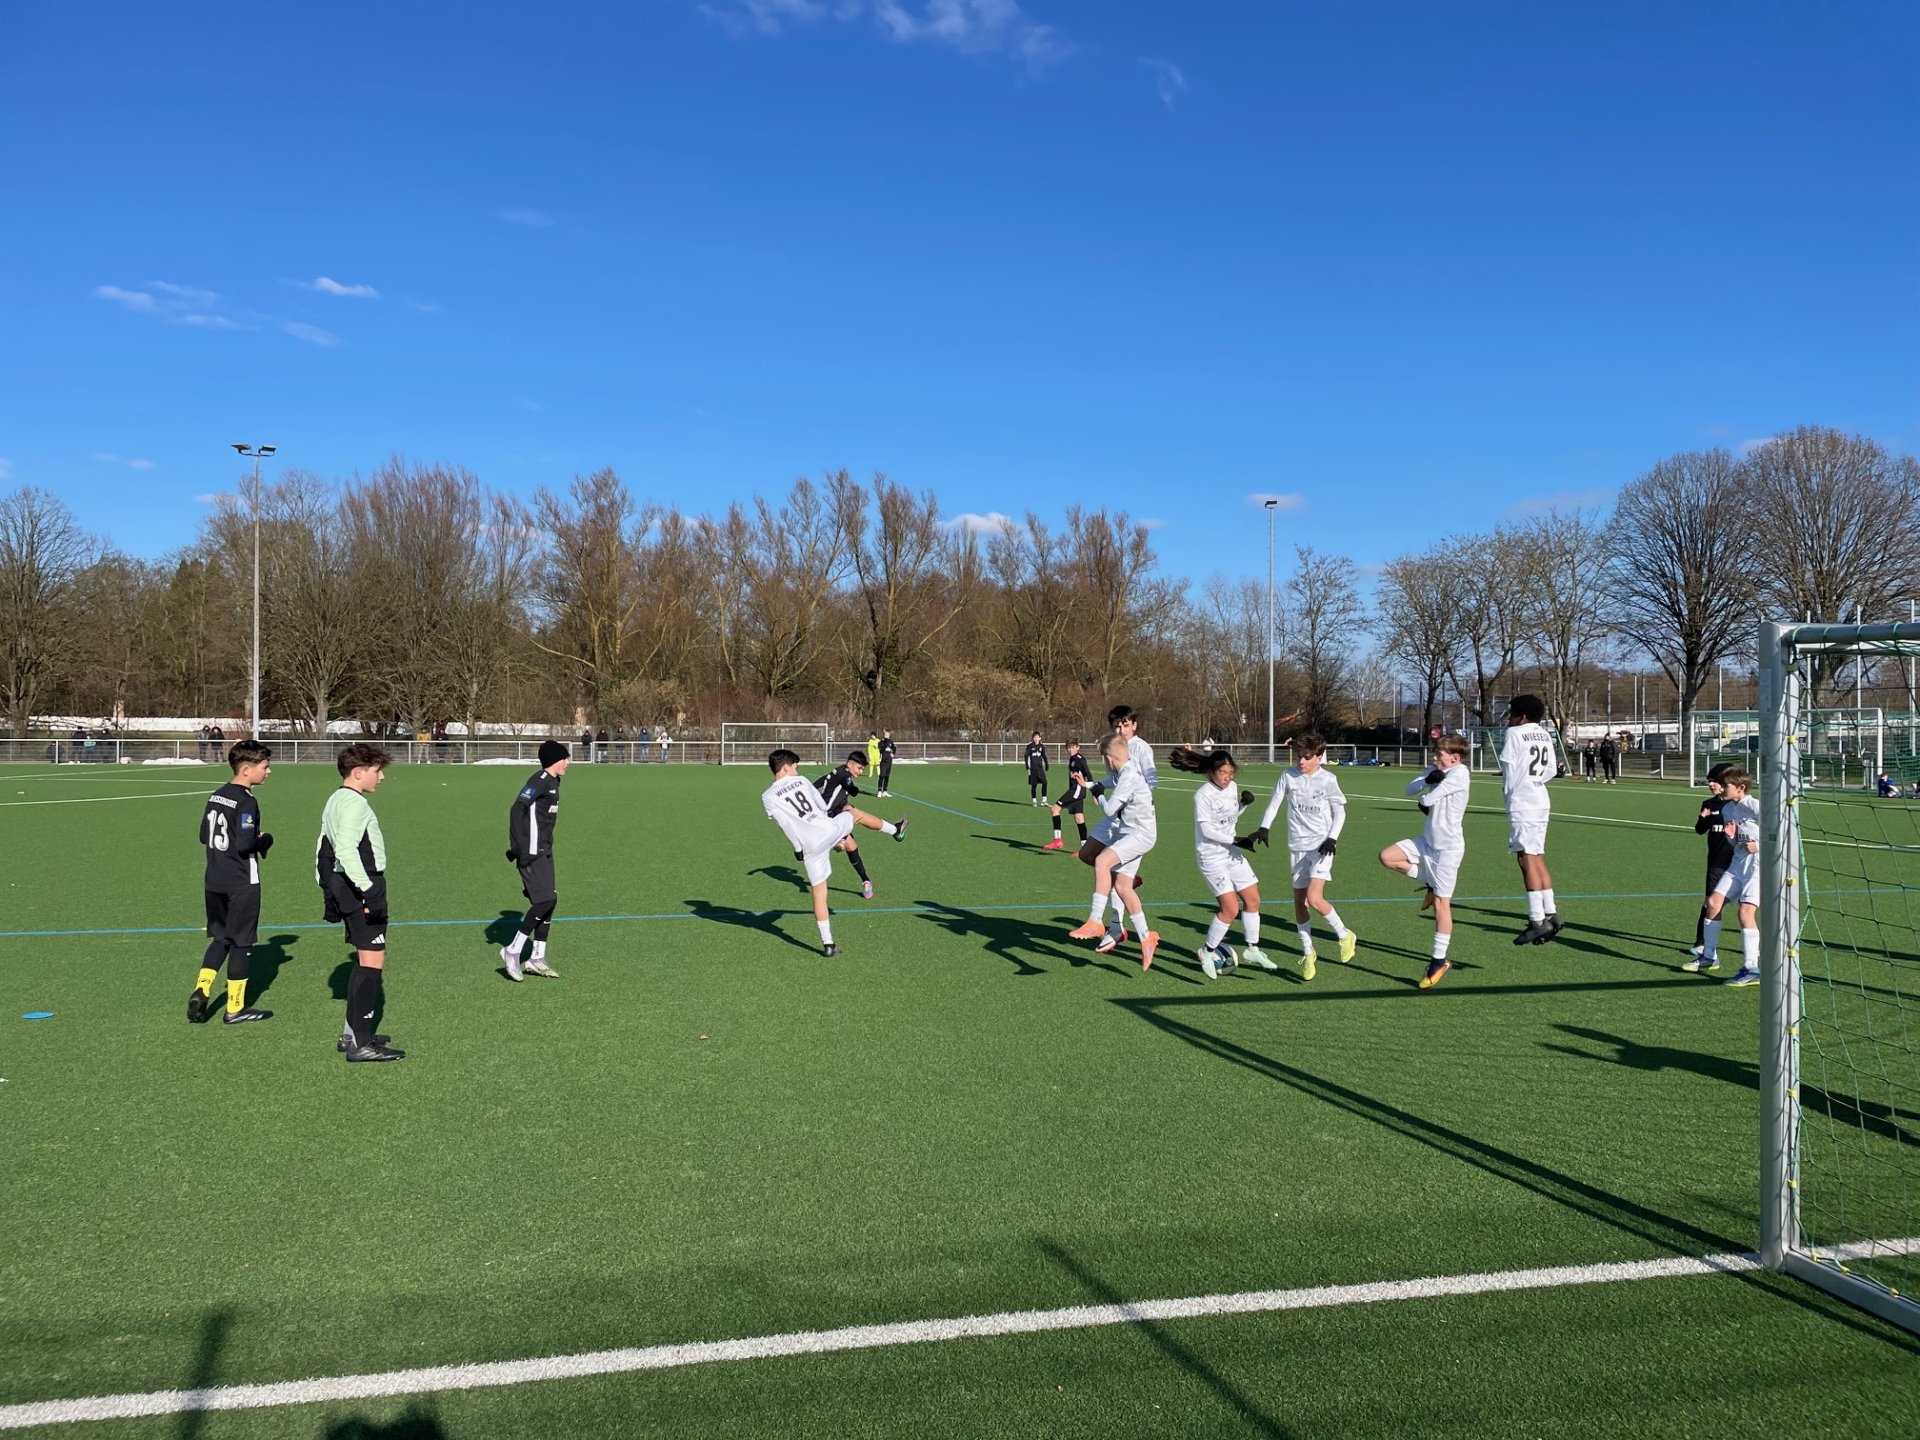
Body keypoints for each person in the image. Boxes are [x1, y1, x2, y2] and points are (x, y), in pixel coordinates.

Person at [762, 749, 907, 955]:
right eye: (795, 767)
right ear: (785, 767)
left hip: (810, 847)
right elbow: (822, 806)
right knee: (854, 813)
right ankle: (895, 830)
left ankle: (828, 944)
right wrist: (838, 810)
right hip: (827, 829)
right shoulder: (801, 781)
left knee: (819, 894)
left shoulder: (767, 796)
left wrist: (797, 849)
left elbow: (784, 824)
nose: (797, 770)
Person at [318, 744, 404, 1062]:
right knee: (372, 961)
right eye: (376, 771)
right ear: (358, 772)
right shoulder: (356, 804)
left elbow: (322, 847)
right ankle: (361, 1043)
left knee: (364, 958)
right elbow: (344, 850)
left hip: (344, 884)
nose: (381, 777)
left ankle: (352, 1034)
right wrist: (369, 890)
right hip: (361, 884)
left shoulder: (335, 799)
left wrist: (327, 887)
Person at [1244, 732, 1354, 980]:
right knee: (1299, 902)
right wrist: (1264, 827)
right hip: (1297, 846)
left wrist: (1332, 838)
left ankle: (1344, 934)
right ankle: (1308, 951)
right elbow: (1275, 802)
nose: (1301, 762)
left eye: (1306, 757)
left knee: (1314, 898)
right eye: (1299, 757)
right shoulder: (1288, 776)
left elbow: (1340, 812)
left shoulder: (1328, 780)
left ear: (1318, 757)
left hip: (1321, 847)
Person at [187, 738, 277, 1026]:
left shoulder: (216, 796)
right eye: (265, 766)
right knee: (241, 942)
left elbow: (204, 835)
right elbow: (245, 844)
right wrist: (265, 840)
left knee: (221, 938)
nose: (269, 771)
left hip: (214, 880)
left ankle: (202, 988)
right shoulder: (247, 800)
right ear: (246, 769)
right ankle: (235, 1008)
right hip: (241, 882)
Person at [1380, 734, 1473, 988]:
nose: (1434, 758)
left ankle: (1439, 960)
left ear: (1454, 758)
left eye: (1439, 755)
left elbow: (1427, 800)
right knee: (1387, 857)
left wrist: (1429, 788)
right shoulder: (1438, 769)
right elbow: (1410, 789)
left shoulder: (1460, 774)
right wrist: (1427, 778)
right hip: (1428, 841)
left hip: (1447, 849)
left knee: (1441, 906)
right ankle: (1429, 883)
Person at [1067, 732, 1159, 968]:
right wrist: (1092, 785)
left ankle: (1096, 921)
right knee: (1123, 887)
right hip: (1131, 832)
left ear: (1108, 759)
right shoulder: (1126, 769)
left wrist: (1098, 794)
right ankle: (1146, 937)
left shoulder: (1128, 776)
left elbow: (1109, 810)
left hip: (1139, 834)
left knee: (1102, 862)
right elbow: (1112, 785)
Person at [1188, 749, 1273, 978]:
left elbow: (1229, 817)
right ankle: (1207, 953)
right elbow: (1207, 830)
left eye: (1231, 772)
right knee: (1230, 909)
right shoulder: (1203, 795)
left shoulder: (1232, 787)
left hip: (1231, 851)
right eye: (1223, 773)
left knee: (1253, 900)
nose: (1228, 777)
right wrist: (1235, 840)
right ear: (1211, 772)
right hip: (1211, 856)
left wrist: (1243, 805)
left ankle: (1252, 949)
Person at [1685, 766, 1761, 985]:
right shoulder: (1728, 809)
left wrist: (1759, 845)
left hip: (1758, 867)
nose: (1719, 788)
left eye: (1724, 785)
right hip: (1738, 865)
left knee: (1745, 912)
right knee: (1712, 903)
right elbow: (1736, 842)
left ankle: (1752, 968)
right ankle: (1709, 956)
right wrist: (1731, 837)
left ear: (1740, 788)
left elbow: (1781, 832)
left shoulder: (1756, 807)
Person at [501, 740, 569, 981]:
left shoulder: (554, 782)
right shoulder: (538, 781)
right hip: (531, 852)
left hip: (545, 850)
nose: (568, 763)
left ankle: (537, 958)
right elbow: (516, 809)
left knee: (550, 900)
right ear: (553, 760)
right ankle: (513, 950)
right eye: (564, 758)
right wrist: (517, 846)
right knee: (545, 900)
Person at [1501, 695, 1562, 945]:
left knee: (1525, 858)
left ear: (1522, 716)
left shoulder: (1514, 733)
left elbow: (1508, 768)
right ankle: (1551, 912)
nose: (1509, 718)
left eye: (1512, 713)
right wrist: (1534, 781)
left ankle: (1537, 920)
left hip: (1523, 801)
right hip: (1540, 797)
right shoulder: (1544, 734)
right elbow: (1551, 770)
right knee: (1536, 856)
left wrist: (1511, 795)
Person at [816, 750, 880, 898]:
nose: (860, 771)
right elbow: (853, 790)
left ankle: (866, 881)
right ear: (849, 764)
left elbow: (820, 781)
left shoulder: (838, 772)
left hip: (834, 812)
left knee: (851, 844)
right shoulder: (844, 775)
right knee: (853, 814)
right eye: (859, 768)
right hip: (826, 817)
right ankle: (842, 838)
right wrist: (854, 789)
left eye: (862, 769)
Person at [1689, 764, 1734, 959]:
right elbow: (1700, 830)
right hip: (1716, 863)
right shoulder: (1709, 804)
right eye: (1709, 782)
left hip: (1739, 863)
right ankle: (1701, 943)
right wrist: (1702, 818)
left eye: (1714, 781)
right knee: (1709, 902)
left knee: (1748, 907)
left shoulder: (1739, 805)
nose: (1711, 785)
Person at [1043, 738, 1092, 852]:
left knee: (1055, 809)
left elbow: (1088, 774)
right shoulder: (1072, 759)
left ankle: (1057, 840)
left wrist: (1094, 792)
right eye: (1069, 748)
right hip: (1077, 791)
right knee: (1079, 818)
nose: (1071, 750)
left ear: (1078, 747)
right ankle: (1085, 848)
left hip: (1076, 791)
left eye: (1073, 747)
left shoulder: (1079, 759)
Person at [1024, 731, 1049, 805]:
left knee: (1045, 782)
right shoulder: (1030, 746)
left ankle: (1044, 800)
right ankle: (1034, 800)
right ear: (1033, 738)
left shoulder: (1041, 746)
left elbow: (1043, 755)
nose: (1036, 739)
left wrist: (1046, 764)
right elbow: (1026, 755)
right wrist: (1027, 765)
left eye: (1037, 737)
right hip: (1033, 769)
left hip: (1040, 768)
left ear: (1040, 738)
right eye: (1035, 737)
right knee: (1034, 785)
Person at [877, 729, 896, 796]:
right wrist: (884, 741)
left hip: (889, 761)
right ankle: (879, 791)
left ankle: (885, 791)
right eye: (885, 735)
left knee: (887, 776)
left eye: (888, 735)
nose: (887, 736)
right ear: (883, 735)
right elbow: (880, 747)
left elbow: (894, 748)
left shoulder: (891, 742)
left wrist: (893, 753)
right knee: (882, 776)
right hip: (883, 762)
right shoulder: (881, 742)